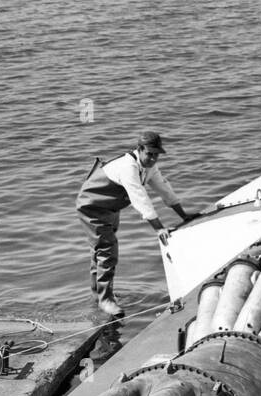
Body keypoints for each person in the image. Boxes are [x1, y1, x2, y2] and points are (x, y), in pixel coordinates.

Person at [75, 131, 198, 318]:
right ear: (139, 149)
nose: (153, 158)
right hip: (92, 207)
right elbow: (139, 199)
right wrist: (159, 228)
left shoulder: (150, 167)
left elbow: (164, 189)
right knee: (107, 251)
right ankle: (105, 299)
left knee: (100, 251)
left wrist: (184, 216)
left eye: (157, 154)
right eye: (150, 154)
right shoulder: (128, 167)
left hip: (110, 207)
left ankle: (98, 294)